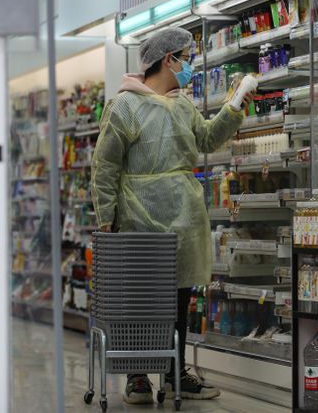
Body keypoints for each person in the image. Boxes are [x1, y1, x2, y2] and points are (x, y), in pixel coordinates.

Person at [91, 27, 253, 405]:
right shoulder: (125, 106)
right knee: (140, 297)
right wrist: (105, 218)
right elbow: (105, 165)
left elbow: (208, 139)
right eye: (187, 57)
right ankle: (137, 374)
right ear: (169, 60)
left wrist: (234, 108)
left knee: (179, 296)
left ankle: (174, 370)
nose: (190, 65)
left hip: (184, 216)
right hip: (138, 214)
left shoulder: (182, 105)